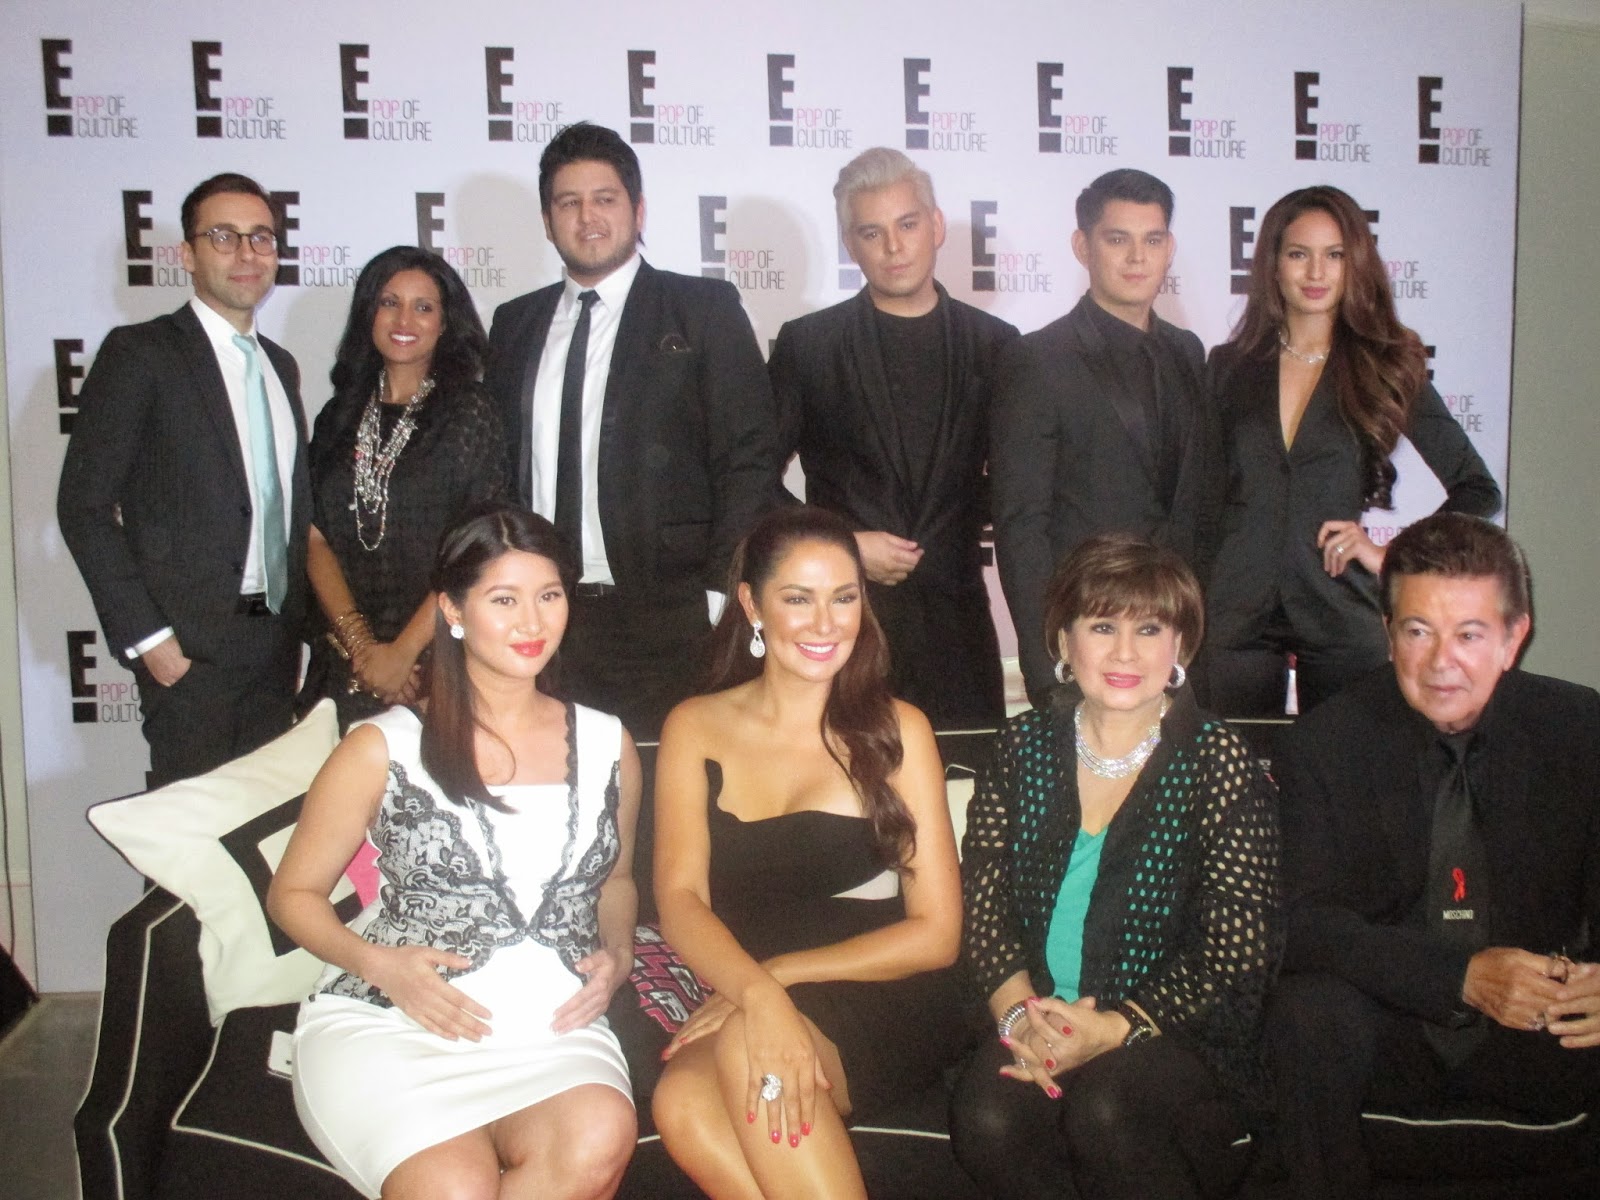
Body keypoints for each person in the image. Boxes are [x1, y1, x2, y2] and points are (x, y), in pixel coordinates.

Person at [268, 504, 641, 1200]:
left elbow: (616, 880)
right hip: (395, 1021)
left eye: (549, 595)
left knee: (599, 1134)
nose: (532, 622)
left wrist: (618, 953)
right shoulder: (382, 746)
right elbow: (291, 895)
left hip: (553, 1029)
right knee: (453, 1187)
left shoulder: (607, 742)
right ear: (452, 609)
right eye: (504, 600)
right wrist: (381, 966)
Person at [1267, 513, 1600, 1199]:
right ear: (1388, 633)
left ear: (1514, 638)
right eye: (1419, 631)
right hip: (1392, 1019)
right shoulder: (1325, 743)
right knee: (1306, 1012)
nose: (1442, 661)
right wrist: (1461, 978)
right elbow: (1301, 922)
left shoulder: (1581, 730)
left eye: (1470, 634)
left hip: (1547, 1021)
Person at [950, 534, 1281, 1199]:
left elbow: (1235, 951)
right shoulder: (1021, 746)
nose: (1125, 653)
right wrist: (1020, 1018)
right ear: (1064, 642)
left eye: (1149, 629)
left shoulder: (1219, 762)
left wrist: (1110, 1028)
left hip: (1176, 1027)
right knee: (987, 1118)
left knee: (1106, 1110)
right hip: (1038, 1010)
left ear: (1180, 646)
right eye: (1103, 627)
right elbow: (982, 902)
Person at [649, 506, 965, 1199]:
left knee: (748, 1053)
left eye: (844, 598)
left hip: (881, 986)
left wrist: (773, 983)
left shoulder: (900, 729)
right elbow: (680, 898)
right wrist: (758, 991)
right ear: (751, 605)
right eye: (798, 598)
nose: (826, 623)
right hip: (750, 985)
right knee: (682, 1103)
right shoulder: (694, 726)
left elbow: (938, 934)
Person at [485, 121, 779, 741]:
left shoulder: (702, 309)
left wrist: (718, 592)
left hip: (672, 617)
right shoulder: (514, 324)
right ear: (547, 221)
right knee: (563, 782)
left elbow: (748, 457)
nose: (587, 217)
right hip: (545, 618)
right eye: (569, 202)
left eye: (605, 199)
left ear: (638, 210)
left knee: (673, 789)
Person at [1202, 185, 1501, 717]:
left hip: (1339, 608)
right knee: (1231, 766)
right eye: (1299, 254)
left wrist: (1398, 555)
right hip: (1233, 613)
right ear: (1273, 265)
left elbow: (1477, 488)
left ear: (1355, 264)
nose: (1316, 272)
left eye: (1335, 255)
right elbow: (1199, 496)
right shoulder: (1229, 366)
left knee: (1347, 764)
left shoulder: (1385, 365)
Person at [58, 171, 309, 787]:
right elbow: (83, 506)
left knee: (267, 829)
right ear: (187, 255)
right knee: (192, 837)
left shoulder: (280, 366)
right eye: (223, 236)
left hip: (274, 648)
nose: (246, 253)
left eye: (261, 238)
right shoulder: (142, 354)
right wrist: (150, 641)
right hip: (190, 653)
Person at [769, 147, 1018, 730]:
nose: (893, 246)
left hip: (959, 631)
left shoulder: (997, 345)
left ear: (936, 226)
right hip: (844, 630)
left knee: (964, 781)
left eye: (907, 224)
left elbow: (1016, 487)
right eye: (871, 232)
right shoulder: (809, 346)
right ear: (850, 244)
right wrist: (843, 545)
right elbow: (752, 480)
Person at [991, 168, 1219, 711]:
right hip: (1088, 649)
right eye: (1118, 240)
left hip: (1177, 644)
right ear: (1082, 246)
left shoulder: (1189, 352)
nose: (1138, 258)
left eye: (1153, 240)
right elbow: (1022, 525)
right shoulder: (1038, 359)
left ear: (1169, 248)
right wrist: (1047, 664)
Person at [299, 245, 511, 728]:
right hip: (346, 663)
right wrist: (363, 648)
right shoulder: (338, 416)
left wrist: (402, 653)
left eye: (424, 307)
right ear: (368, 313)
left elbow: (479, 546)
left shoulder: (471, 413)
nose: (404, 320)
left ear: (445, 322)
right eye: (389, 302)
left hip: (441, 664)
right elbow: (314, 536)